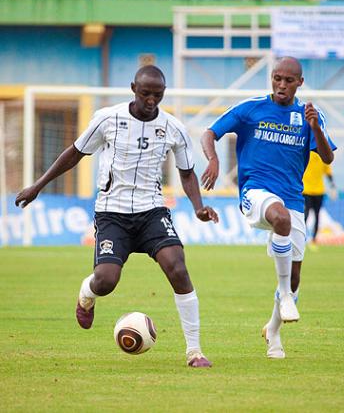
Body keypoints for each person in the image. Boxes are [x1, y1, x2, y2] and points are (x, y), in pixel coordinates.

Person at [15, 65, 219, 368]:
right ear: (133, 88)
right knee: (107, 281)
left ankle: (195, 351)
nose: (152, 100)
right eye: (146, 93)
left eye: (158, 95)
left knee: (177, 267)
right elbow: (75, 152)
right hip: (113, 213)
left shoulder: (173, 128)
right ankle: (87, 293)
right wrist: (38, 186)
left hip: (152, 211)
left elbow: (186, 172)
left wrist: (198, 207)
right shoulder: (108, 119)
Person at [200, 56, 336, 359]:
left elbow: (327, 158)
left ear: (300, 83)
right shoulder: (251, 109)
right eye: (277, 78)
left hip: (293, 199)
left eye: (288, 80)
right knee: (280, 217)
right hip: (255, 192)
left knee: (295, 272)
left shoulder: (310, 115)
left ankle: (273, 330)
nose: (281, 85)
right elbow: (209, 132)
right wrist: (213, 158)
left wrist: (316, 129)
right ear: (271, 78)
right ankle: (285, 294)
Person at [303, 151, 337, 250]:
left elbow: (328, 172)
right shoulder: (316, 154)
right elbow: (329, 173)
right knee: (308, 215)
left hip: (315, 190)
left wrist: (332, 186)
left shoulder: (314, 154)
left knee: (313, 215)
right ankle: (304, 239)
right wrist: (332, 186)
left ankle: (313, 239)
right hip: (309, 190)